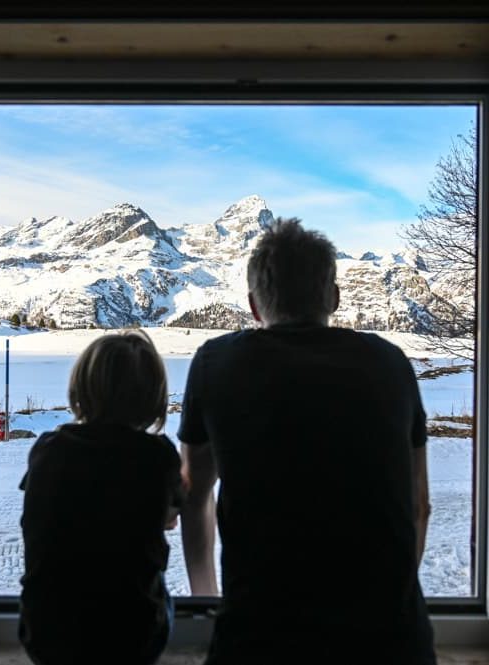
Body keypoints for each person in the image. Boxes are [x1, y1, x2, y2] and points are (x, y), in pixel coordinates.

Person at [179, 218, 435, 665]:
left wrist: (207, 601)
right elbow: (419, 505)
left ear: (255, 307)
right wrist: (390, 603)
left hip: (258, 639)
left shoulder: (215, 364)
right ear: (334, 298)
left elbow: (194, 494)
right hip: (393, 644)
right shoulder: (390, 364)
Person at [19, 330, 184, 665]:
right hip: (133, 640)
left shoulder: (49, 450)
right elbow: (172, 514)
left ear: (80, 390)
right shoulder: (158, 456)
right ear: (153, 398)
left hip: (44, 636)